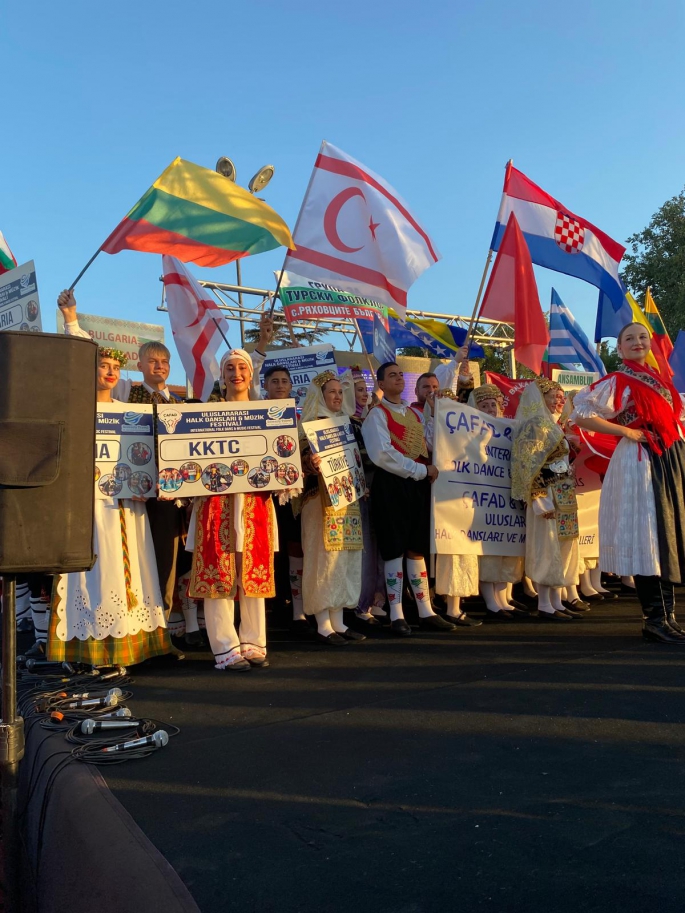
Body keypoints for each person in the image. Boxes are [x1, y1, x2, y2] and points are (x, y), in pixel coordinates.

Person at [47, 345, 173, 666]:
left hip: (129, 503)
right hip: (89, 503)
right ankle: (90, 646)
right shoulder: (75, 410)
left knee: (132, 566)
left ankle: (134, 642)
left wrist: (146, 482)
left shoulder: (129, 412)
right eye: (104, 365)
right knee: (95, 569)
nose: (110, 372)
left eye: (115, 367)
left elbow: (142, 457)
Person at [573, 322, 685, 643]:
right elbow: (581, 414)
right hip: (640, 459)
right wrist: (627, 431)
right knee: (646, 535)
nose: (637, 342)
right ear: (619, 348)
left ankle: (668, 616)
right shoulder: (619, 380)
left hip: (666, 457)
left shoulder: (662, 382)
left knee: (663, 537)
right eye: (629, 338)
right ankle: (654, 619)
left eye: (642, 337)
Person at [187, 347, 277, 670]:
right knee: (219, 571)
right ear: (222, 376)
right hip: (217, 502)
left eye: (242, 368)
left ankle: (253, 642)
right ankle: (225, 648)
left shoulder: (267, 414)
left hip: (253, 502)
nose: (236, 374)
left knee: (250, 570)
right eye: (230, 369)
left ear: (250, 375)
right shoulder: (208, 413)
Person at [362, 362, 456, 635]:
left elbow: (429, 444)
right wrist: (420, 470)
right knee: (394, 550)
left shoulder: (414, 414)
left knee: (417, 548)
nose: (399, 378)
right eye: (392, 375)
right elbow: (383, 455)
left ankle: (425, 610)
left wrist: (437, 415)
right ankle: (397, 613)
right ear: (380, 384)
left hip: (416, 485)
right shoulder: (376, 416)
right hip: (392, 486)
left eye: (401, 374)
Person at [297, 371, 365, 645]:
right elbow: (301, 458)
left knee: (346, 558)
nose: (338, 396)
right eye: (332, 392)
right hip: (320, 502)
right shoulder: (310, 425)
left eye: (340, 391)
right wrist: (309, 462)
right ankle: (324, 623)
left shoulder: (346, 424)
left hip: (347, 500)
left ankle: (339, 621)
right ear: (320, 396)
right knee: (323, 559)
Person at [511, 379, 580, 621]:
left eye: (562, 396)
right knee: (547, 544)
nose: (560, 400)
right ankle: (544, 604)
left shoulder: (553, 425)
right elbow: (527, 463)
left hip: (561, 491)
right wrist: (538, 496)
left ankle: (555, 600)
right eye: (554, 396)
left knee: (561, 545)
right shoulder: (535, 424)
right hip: (546, 492)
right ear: (541, 398)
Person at [468, 384, 526, 619]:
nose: (491, 409)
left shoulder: (510, 428)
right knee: (489, 549)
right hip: (485, 496)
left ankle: (503, 598)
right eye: (484, 405)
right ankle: (491, 600)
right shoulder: (471, 430)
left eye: (493, 404)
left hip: (507, 495)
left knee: (507, 546)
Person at [263, 364, 308, 633]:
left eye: (284, 381)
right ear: (265, 386)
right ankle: (274, 604)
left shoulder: (301, 418)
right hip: (263, 495)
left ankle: (297, 609)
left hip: (293, 495)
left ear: (291, 386)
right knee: (270, 551)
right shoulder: (255, 414)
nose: (280, 385)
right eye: (275, 381)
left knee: (294, 548)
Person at [349, 367, 387, 625]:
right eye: (358, 390)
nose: (364, 394)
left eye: (365, 389)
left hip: (379, 489)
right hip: (359, 491)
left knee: (379, 545)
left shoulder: (371, 419)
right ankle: (360, 603)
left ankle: (377, 598)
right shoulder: (344, 423)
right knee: (364, 548)